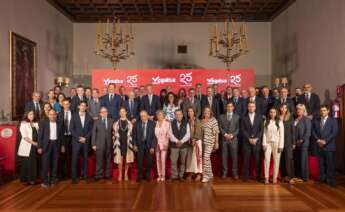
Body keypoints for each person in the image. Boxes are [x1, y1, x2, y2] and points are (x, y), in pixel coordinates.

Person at [312, 105, 338, 187]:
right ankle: (322, 179)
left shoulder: (333, 120)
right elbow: (313, 132)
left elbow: (334, 132)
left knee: (330, 164)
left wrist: (325, 141)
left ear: (328, 111)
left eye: (324, 110)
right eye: (321, 110)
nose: (322, 112)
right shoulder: (317, 120)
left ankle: (331, 180)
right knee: (321, 164)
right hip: (319, 145)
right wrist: (318, 140)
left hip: (329, 146)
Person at [37, 109, 64, 188]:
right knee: (45, 164)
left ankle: (53, 180)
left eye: (54, 114)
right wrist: (39, 146)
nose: (52, 116)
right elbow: (40, 136)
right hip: (46, 145)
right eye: (51, 114)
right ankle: (45, 181)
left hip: (56, 144)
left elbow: (61, 136)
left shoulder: (59, 124)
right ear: (48, 115)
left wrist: (62, 145)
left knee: (55, 164)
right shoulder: (43, 123)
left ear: (56, 115)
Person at [70, 101, 93, 184]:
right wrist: (79, 138)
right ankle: (74, 177)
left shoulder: (89, 117)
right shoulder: (74, 116)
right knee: (75, 160)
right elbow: (71, 129)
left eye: (84, 106)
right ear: (78, 107)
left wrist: (85, 138)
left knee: (85, 159)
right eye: (81, 105)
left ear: (86, 107)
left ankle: (85, 176)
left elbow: (91, 130)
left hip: (86, 142)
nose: (83, 107)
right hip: (76, 141)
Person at [241, 101, 264, 182]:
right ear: (248, 107)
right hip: (247, 142)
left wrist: (256, 138)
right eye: (249, 106)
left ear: (255, 108)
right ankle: (245, 177)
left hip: (257, 142)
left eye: (252, 106)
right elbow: (243, 130)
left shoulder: (260, 117)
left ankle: (258, 176)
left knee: (257, 160)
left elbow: (261, 130)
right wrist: (249, 139)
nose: (251, 108)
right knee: (246, 160)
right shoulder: (243, 117)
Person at [133, 110, 156, 182]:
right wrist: (135, 145)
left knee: (149, 161)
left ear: (147, 116)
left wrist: (152, 146)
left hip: (149, 145)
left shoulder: (152, 124)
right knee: (139, 161)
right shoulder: (137, 124)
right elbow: (134, 135)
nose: (142, 117)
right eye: (141, 116)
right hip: (140, 145)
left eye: (144, 116)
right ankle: (139, 175)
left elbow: (154, 136)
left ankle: (147, 175)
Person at [262, 108, 284, 184]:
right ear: (269, 113)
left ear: (276, 113)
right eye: (271, 112)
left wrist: (281, 145)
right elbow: (264, 133)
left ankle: (274, 178)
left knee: (276, 161)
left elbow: (282, 135)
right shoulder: (266, 121)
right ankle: (266, 177)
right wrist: (264, 143)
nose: (272, 113)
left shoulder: (280, 122)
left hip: (277, 144)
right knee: (266, 160)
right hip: (267, 143)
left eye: (274, 112)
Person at [92, 107, 114, 181]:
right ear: (100, 114)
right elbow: (94, 133)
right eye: (102, 112)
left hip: (109, 143)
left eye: (105, 112)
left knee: (108, 160)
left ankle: (107, 175)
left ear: (107, 112)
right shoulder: (96, 122)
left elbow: (113, 133)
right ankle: (98, 175)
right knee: (99, 160)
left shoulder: (111, 121)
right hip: (99, 144)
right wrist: (93, 144)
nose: (104, 113)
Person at [219, 102, 240, 179]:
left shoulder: (237, 117)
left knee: (234, 157)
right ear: (226, 107)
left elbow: (238, 129)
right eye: (228, 106)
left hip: (233, 140)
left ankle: (234, 173)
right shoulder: (221, 117)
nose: (229, 108)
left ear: (233, 107)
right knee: (224, 157)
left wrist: (232, 135)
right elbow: (220, 127)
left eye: (231, 106)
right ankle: (224, 173)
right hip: (224, 140)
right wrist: (225, 134)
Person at [17, 111, 39, 185]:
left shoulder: (36, 124)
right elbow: (25, 137)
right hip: (27, 146)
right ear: (26, 115)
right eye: (30, 114)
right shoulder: (23, 124)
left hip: (35, 147)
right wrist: (34, 143)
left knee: (33, 163)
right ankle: (25, 180)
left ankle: (32, 179)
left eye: (33, 114)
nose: (32, 115)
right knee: (26, 164)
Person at [113, 107, 134, 181]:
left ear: (126, 112)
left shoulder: (130, 123)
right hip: (119, 142)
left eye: (123, 111)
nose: (122, 113)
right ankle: (120, 174)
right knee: (120, 159)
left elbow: (131, 134)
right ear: (119, 113)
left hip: (127, 142)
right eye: (121, 112)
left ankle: (125, 174)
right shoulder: (116, 123)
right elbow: (114, 134)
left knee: (127, 159)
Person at [169, 109, 191, 180]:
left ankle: (181, 175)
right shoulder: (171, 123)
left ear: (182, 115)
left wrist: (181, 141)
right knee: (173, 161)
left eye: (179, 114)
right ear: (175, 116)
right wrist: (177, 141)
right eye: (177, 114)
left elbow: (188, 134)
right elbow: (170, 134)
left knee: (182, 162)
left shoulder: (186, 123)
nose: (178, 116)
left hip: (184, 145)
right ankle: (174, 176)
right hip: (174, 146)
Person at [200, 106, 219, 183]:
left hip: (210, 142)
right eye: (205, 111)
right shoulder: (201, 121)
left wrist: (216, 143)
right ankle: (210, 174)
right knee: (207, 159)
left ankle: (206, 176)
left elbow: (216, 132)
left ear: (210, 112)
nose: (206, 112)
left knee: (206, 158)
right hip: (203, 143)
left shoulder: (213, 120)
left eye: (208, 111)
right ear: (203, 112)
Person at [294, 104, 311, 182]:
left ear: (304, 110)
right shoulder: (296, 119)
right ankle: (298, 176)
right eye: (297, 109)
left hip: (303, 143)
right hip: (296, 143)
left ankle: (304, 177)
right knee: (297, 160)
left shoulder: (306, 119)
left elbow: (308, 132)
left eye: (300, 109)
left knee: (303, 160)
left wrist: (302, 139)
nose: (298, 110)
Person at [279, 104, 296, 184]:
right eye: (282, 107)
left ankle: (291, 177)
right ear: (280, 108)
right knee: (281, 159)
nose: (283, 109)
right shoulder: (278, 117)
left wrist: (293, 142)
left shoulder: (290, 118)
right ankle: (283, 176)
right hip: (279, 142)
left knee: (289, 159)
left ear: (287, 109)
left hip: (288, 142)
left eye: (285, 107)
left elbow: (293, 131)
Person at [185, 106, 203, 181]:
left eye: (191, 111)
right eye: (188, 111)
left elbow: (199, 131)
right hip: (189, 142)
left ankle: (199, 173)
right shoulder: (187, 121)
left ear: (194, 112)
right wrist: (190, 140)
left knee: (197, 158)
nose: (190, 113)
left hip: (197, 141)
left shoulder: (197, 121)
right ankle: (191, 173)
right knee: (190, 158)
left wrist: (194, 139)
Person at [57, 99, 73, 180]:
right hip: (63, 137)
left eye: (67, 104)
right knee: (63, 156)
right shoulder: (59, 115)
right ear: (62, 105)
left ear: (69, 104)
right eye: (64, 104)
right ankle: (63, 174)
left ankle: (71, 174)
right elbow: (58, 129)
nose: (66, 105)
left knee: (71, 156)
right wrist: (61, 143)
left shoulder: (74, 113)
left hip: (72, 137)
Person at [154, 110, 170, 182]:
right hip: (157, 144)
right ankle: (159, 175)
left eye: (161, 114)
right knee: (157, 160)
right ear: (157, 116)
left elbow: (168, 135)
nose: (160, 116)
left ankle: (163, 175)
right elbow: (154, 135)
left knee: (163, 160)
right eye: (158, 115)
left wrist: (166, 144)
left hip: (164, 144)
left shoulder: (167, 123)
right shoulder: (155, 123)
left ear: (163, 115)